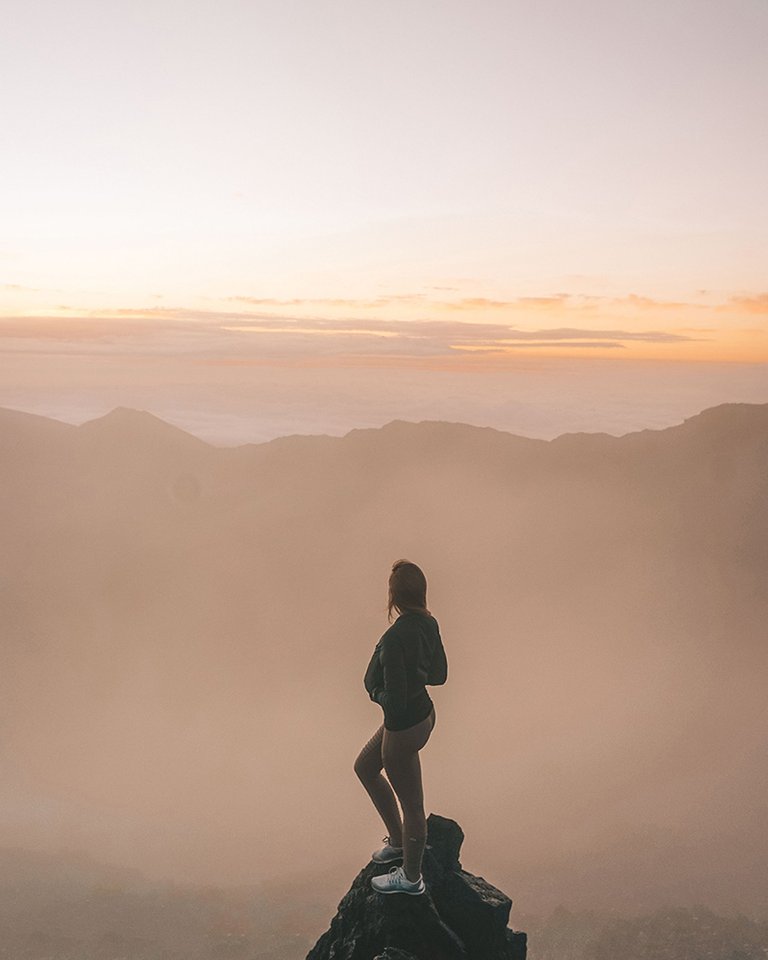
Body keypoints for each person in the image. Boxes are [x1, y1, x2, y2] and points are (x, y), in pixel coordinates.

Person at [355, 559, 448, 895]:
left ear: (394, 596)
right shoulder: (428, 623)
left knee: (413, 806)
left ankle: (410, 878)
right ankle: (397, 841)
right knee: (365, 767)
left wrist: (373, 690)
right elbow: (439, 675)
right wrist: (412, 678)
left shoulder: (394, 638)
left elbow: (391, 700)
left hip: (402, 727)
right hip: (424, 716)